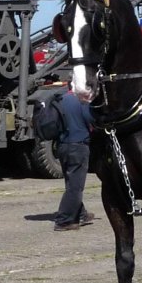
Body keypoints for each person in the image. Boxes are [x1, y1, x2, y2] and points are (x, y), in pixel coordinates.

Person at [54, 86, 95, 231]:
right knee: (75, 186)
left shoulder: (61, 99)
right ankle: (64, 220)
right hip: (78, 146)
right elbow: (91, 120)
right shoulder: (82, 101)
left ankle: (80, 214)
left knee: (71, 182)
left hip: (62, 146)